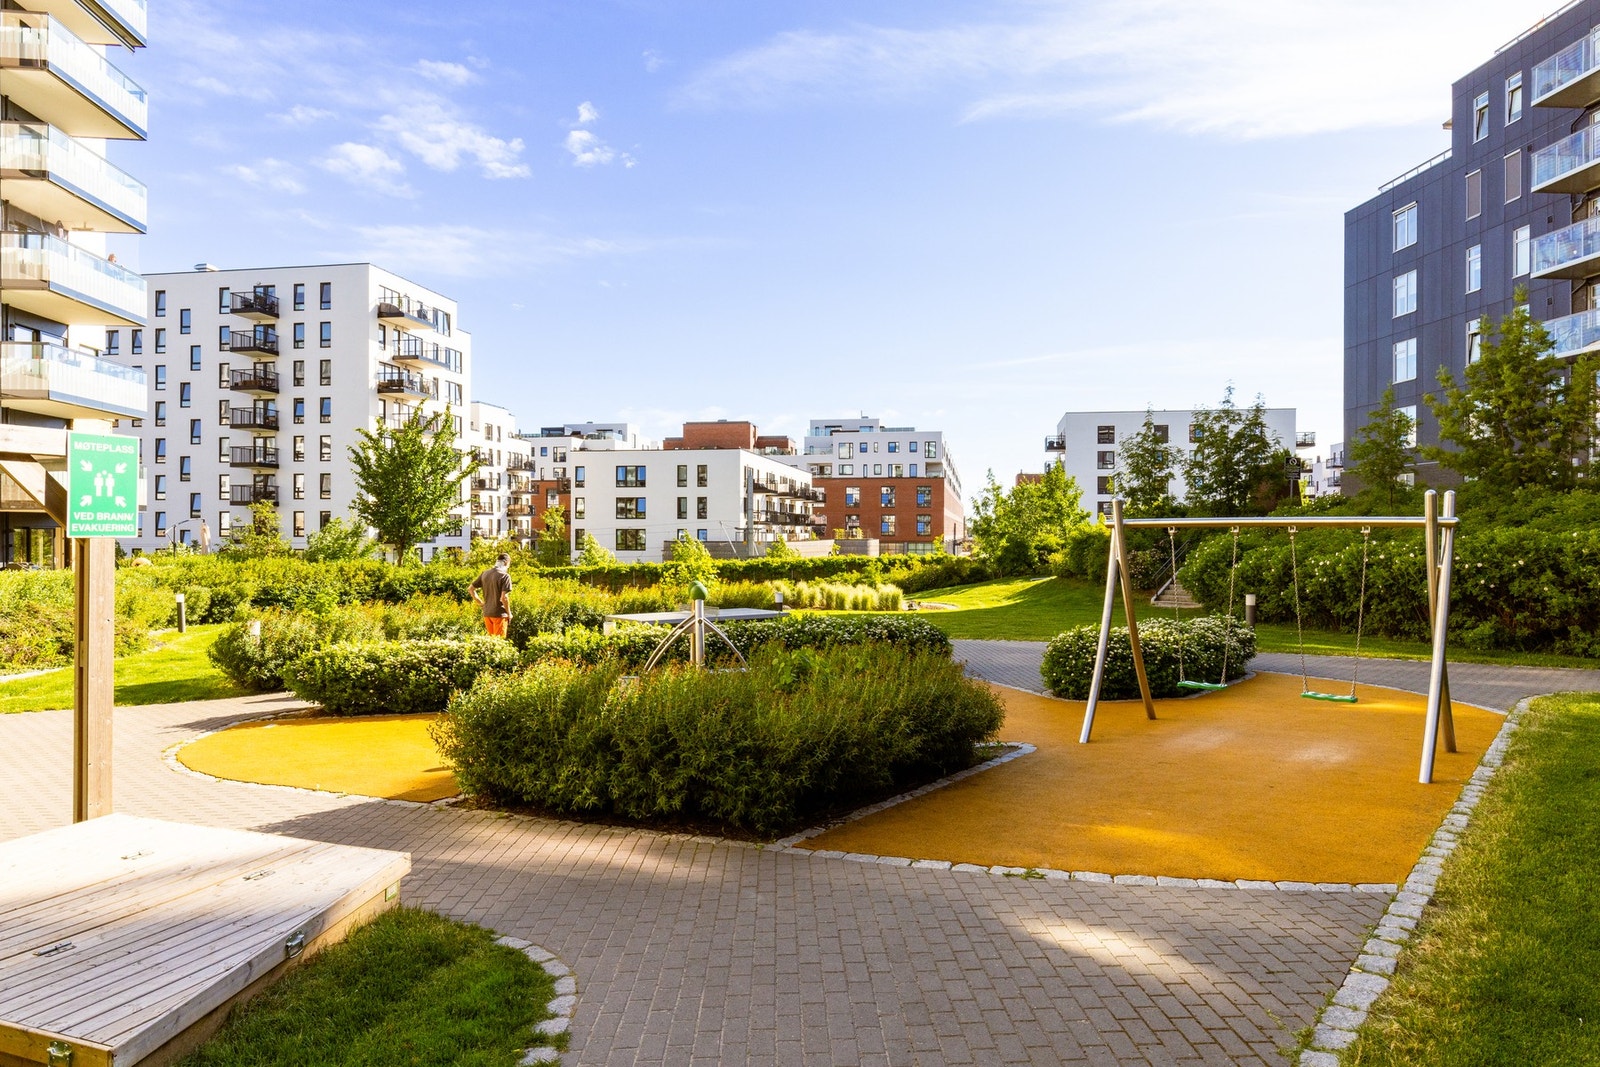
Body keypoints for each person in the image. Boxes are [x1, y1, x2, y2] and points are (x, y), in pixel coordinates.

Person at [469, 553, 512, 637]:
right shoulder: (505, 576)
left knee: (491, 643)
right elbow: (504, 598)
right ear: (506, 562)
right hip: (499, 614)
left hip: (487, 614)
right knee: (499, 644)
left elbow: (470, 589)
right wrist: (509, 613)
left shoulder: (485, 573)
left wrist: (481, 603)